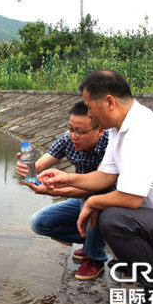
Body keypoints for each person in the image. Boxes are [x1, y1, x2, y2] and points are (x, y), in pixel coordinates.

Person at [38, 69, 153, 304]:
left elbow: (131, 198)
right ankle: (135, 261)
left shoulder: (141, 131)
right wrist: (65, 178)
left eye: (91, 107)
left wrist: (92, 203)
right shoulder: (118, 129)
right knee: (107, 208)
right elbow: (105, 177)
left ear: (109, 102)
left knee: (111, 216)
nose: (89, 113)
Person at [16, 101, 113, 280]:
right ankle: (92, 240)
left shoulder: (110, 144)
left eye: (80, 132)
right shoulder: (67, 138)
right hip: (81, 197)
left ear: (99, 131)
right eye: (71, 129)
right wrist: (27, 168)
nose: (74, 136)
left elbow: (98, 186)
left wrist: (53, 191)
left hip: (108, 200)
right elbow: (40, 165)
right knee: (40, 222)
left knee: (95, 202)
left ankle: (95, 258)